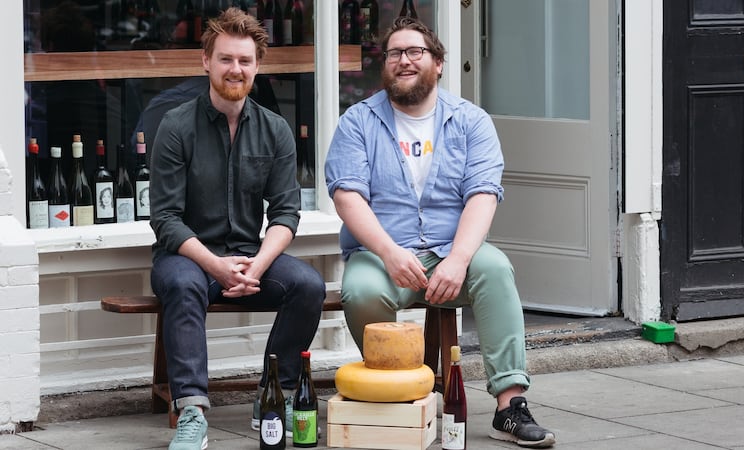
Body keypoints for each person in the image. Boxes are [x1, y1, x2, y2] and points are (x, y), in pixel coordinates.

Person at [325, 17, 556, 449]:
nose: (404, 60)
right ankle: (395, 394)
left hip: (453, 249)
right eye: (395, 53)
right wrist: (389, 253)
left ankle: (510, 405)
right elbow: (347, 197)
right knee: (361, 290)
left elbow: (483, 195)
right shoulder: (357, 122)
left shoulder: (472, 122)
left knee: (496, 270)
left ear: (439, 63)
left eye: (415, 52)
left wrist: (459, 259)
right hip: (382, 253)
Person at [149, 8, 326, 450]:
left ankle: (274, 394)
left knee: (308, 285)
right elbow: (165, 220)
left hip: (250, 256)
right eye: (226, 59)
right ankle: (191, 412)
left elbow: (286, 214)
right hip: (187, 257)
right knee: (184, 285)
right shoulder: (175, 127)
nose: (236, 69)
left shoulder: (275, 130)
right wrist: (217, 266)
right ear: (205, 61)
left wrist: (255, 266)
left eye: (245, 61)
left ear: (257, 66)